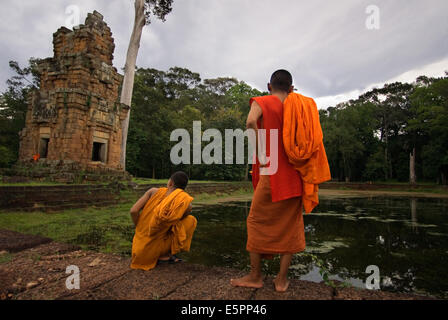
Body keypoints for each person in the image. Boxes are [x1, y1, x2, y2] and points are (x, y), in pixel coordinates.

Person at [230, 69, 330, 292]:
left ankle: (255, 276)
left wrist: (262, 153)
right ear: (292, 88)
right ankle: (281, 280)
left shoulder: (263, 101)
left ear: (269, 86)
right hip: (296, 176)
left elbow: (249, 123)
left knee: (256, 222)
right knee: (291, 227)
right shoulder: (301, 106)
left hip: (270, 175)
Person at [130, 171, 197, 271]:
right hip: (158, 249)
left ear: (170, 183)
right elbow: (176, 222)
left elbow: (133, 211)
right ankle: (165, 255)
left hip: (139, 250)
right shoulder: (185, 204)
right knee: (190, 220)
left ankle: (160, 253)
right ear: (183, 188)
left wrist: (139, 227)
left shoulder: (153, 191)